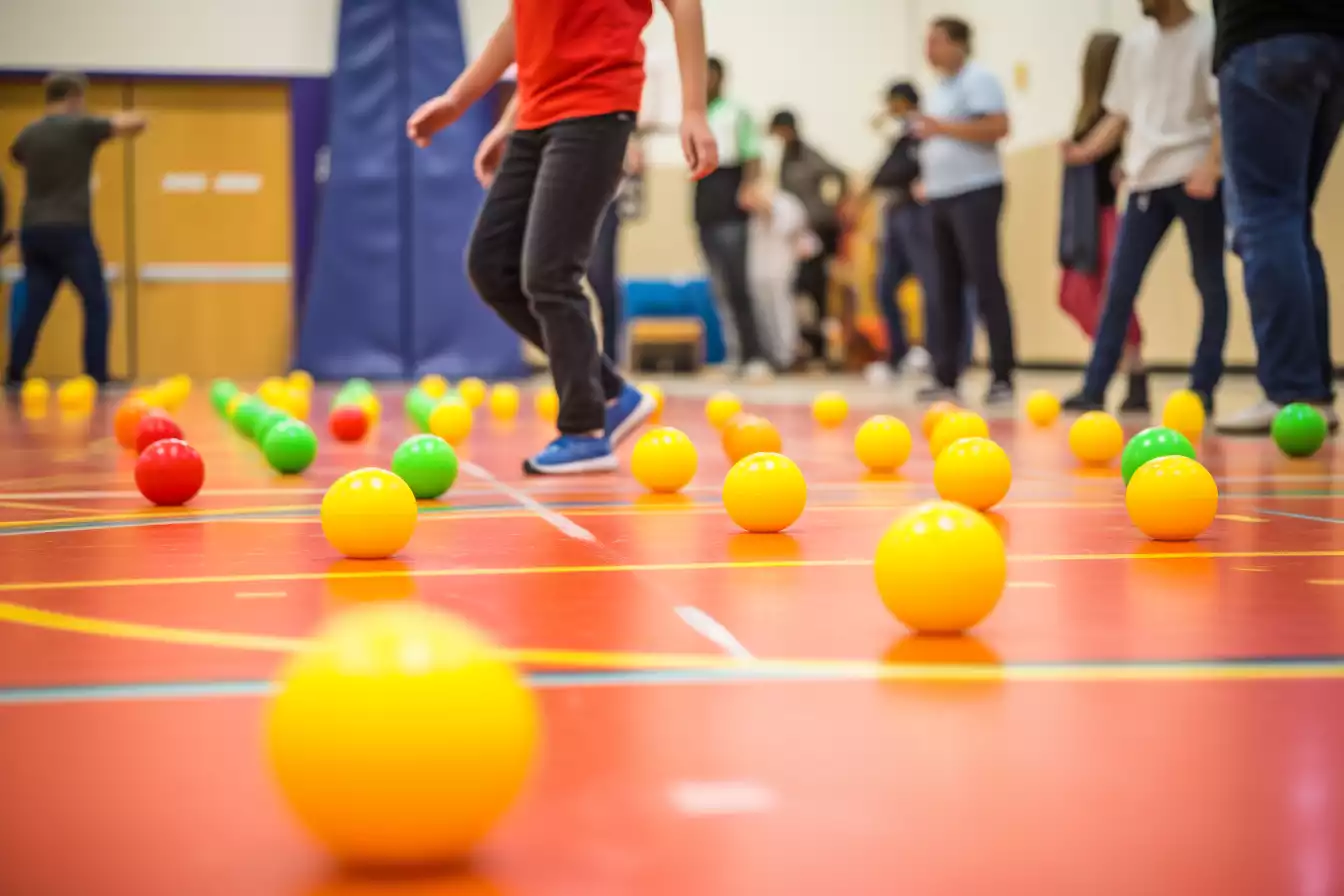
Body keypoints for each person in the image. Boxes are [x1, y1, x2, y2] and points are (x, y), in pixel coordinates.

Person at [406, 0, 716, 475]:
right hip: (534, 117)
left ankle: (585, 429)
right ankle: (610, 391)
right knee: (491, 266)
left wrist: (692, 109)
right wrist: (468, 105)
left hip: (597, 109)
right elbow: (525, 26)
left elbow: (685, 6)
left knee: (550, 272)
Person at [1060, 0, 1228, 415]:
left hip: (1194, 177)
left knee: (1208, 281)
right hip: (1144, 182)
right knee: (1118, 286)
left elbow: (1224, 111)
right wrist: (1086, 150)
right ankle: (1095, 387)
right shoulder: (1135, 45)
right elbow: (1120, 114)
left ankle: (1202, 389)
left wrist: (1211, 166)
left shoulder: (1209, 35)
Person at [1214, 0, 1344, 434]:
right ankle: (1313, 394)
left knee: (1268, 215)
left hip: (1263, 35)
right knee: (1290, 217)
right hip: (1331, 39)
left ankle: (1292, 390)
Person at [5, 73, 145, 388]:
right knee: (95, 301)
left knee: (35, 305)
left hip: (33, 231)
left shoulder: (29, 133)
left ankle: (14, 375)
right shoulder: (80, 126)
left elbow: (15, 156)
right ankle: (96, 375)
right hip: (71, 229)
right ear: (74, 96)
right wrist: (143, 118)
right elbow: (128, 125)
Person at [913, 17, 1018, 406]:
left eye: (936, 41)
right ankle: (946, 374)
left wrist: (941, 128)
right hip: (941, 195)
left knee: (985, 282)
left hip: (975, 193)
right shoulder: (938, 89)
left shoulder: (979, 79)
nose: (929, 50)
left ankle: (1002, 374)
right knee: (943, 286)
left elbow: (997, 126)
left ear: (959, 44)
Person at [1057, 32, 1150, 413]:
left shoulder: (1122, 115)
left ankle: (1133, 372)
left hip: (1108, 217)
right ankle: (1117, 362)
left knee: (1112, 298)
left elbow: (1111, 153)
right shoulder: (1090, 113)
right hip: (1083, 218)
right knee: (1074, 294)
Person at [698, 57, 770, 381]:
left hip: (731, 204)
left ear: (720, 78)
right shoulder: (696, 115)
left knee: (738, 284)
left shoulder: (735, 113)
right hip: (704, 204)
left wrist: (748, 187)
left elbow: (753, 154)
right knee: (720, 287)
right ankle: (735, 353)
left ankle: (755, 355)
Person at [766, 109, 846, 367]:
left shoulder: (808, 155)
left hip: (816, 230)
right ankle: (806, 345)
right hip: (797, 231)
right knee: (798, 289)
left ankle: (822, 350)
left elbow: (839, 174)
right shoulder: (787, 156)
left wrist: (830, 208)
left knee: (815, 291)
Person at [739, 179, 815, 370]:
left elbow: (789, 228)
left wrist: (766, 206)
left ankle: (787, 355)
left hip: (780, 266)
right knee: (761, 311)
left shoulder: (787, 203)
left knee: (781, 309)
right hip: (758, 268)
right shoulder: (750, 207)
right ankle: (769, 354)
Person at [587, 136, 645, 364]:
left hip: (604, 201)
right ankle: (574, 354)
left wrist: (631, 140)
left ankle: (610, 356)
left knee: (601, 278)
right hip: (567, 194)